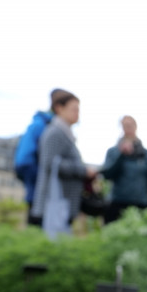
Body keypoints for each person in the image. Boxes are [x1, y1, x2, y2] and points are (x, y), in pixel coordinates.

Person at [30, 90, 98, 237]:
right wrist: (83, 171)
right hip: (53, 203)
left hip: (60, 203)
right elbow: (50, 164)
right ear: (59, 108)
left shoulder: (65, 133)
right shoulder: (55, 132)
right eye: (74, 109)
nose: (77, 113)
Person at [99, 116, 147, 224]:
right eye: (124, 126)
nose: (127, 129)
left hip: (141, 204)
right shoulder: (113, 152)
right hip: (117, 203)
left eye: (130, 125)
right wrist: (121, 155)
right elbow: (107, 175)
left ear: (135, 127)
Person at [14, 89, 60, 226]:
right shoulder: (45, 126)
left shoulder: (40, 123)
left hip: (29, 171)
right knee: (37, 210)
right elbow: (28, 160)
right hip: (34, 173)